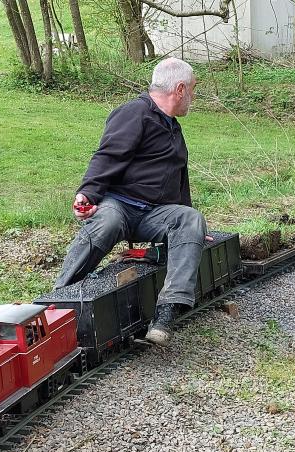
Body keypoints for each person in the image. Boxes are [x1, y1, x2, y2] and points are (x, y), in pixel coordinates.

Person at [54, 57, 208, 345]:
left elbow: (179, 179)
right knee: (107, 221)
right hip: (120, 205)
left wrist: (193, 231)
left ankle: (165, 314)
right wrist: (87, 193)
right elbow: (107, 156)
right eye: (193, 90)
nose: (193, 97)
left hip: (154, 214)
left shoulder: (172, 126)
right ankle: (58, 297)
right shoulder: (134, 113)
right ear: (179, 89)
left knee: (191, 220)